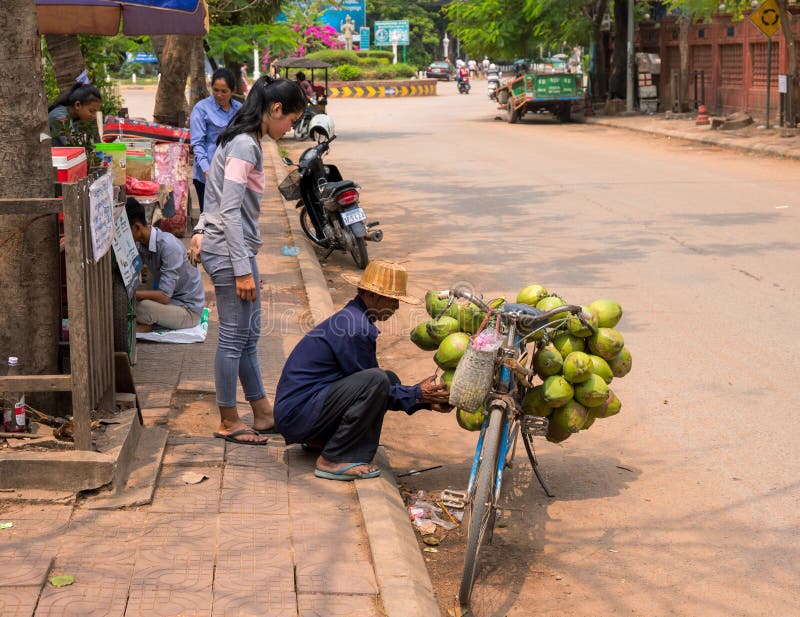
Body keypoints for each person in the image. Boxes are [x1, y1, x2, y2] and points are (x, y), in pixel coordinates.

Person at [189, 76, 306, 445]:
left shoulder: (245, 140)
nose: (290, 128)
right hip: (229, 253)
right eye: (291, 119)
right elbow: (230, 210)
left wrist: (200, 228)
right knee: (233, 337)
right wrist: (242, 269)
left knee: (249, 336)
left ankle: (263, 412)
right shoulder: (244, 145)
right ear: (275, 110)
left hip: (231, 248)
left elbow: (216, 197)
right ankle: (228, 420)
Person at [273, 260, 452, 481]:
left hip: (304, 408)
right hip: (298, 414)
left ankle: (321, 440)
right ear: (372, 295)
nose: (396, 307)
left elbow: (375, 386)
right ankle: (331, 459)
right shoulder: (355, 328)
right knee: (379, 380)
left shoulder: (354, 319)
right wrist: (417, 394)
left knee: (388, 378)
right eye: (393, 300)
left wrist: (424, 400)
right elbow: (372, 386)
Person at [126, 199, 205, 333]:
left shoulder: (169, 247)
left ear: (137, 227)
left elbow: (164, 296)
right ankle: (150, 322)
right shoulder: (142, 244)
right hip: (172, 303)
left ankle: (147, 324)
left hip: (188, 311)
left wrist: (132, 294)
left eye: (126, 230)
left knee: (140, 307)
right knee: (134, 303)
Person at [190, 68, 242, 214]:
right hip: (207, 175)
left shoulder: (240, 110)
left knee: (231, 217)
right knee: (209, 219)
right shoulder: (201, 109)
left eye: (224, 91)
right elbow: (197, 143)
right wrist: (207, 170)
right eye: (215, 90)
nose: (219, 95)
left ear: (232, 90)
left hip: (233, 173)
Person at [48, 82, 103, 146]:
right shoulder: (60, 117)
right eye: (91, 111)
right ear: (78, 105)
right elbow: (75, 146)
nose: (94, 116)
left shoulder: (74, 118)